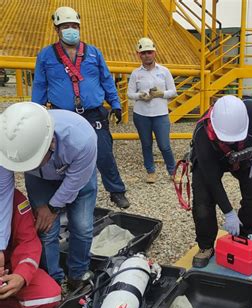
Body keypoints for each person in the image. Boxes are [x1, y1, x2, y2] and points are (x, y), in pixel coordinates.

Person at [32, 6, 130, 209]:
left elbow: (106, 79)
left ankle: (116, 191)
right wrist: (36, 111)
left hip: (93, 113)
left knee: (103, 153)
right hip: (62, 115)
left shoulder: (93, 53)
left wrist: (116, 103)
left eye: (74, 26)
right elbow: (40, 84)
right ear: (56, 29)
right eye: (65, 26)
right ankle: (67, 193)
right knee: (62, 154)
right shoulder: (46, 55)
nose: (71, 30)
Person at [0, 102, 98, 292]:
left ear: (51, 143)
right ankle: (52, 279)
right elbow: (3, 194)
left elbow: (75, 180)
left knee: (82, 226)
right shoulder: (7, 143)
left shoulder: (82, 140)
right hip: (40, 181)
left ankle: (77, 274)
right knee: (46, 230)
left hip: (78, 177)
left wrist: (53, 207)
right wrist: (0, 244)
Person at [190, 95, 252, 268]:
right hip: (212, 161)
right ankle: (205, 246)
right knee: (202, 202)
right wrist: (228, 212)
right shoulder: (202, 134)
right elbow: (213, 181)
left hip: (244, 157)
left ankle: (242, 235)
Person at [0, 189, 61, 308]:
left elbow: (28, 241)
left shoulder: (12, 197)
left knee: (50, 295)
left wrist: (21, 275)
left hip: (9, 267)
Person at [127, 37, 177, 183]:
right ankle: (150, 172)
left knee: (164, 145)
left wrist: (161, 94)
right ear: (139, 55)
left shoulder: (164, 71)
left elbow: (173, 91)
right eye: (143, 53)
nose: (146, 55)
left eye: (149, 52)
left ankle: (173, 171)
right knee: (146, 144)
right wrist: (140, 96)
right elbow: (130, 94)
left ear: (154, 53)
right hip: (141, 114)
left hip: (160, 114)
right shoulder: (136, 73)